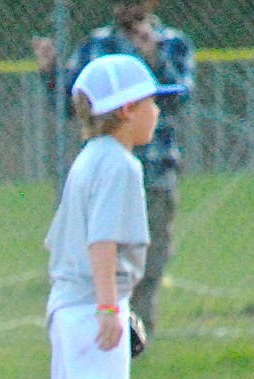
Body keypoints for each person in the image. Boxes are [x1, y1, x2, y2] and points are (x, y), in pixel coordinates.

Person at [45, 55, 184, 379]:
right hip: (91, 304)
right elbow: (101, 241)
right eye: (151, 102)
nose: (157, 112)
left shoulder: (90, 156)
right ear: (125, 109)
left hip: (66, 306)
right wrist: (111, 308)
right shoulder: (120, 164)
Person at [33, 1, 194, 342]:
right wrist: (51, 73)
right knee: (104, 256)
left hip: (156, 170)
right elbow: (72, 104)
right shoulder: (96, 45)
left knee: (147, 263)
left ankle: (136, 336)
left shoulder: (172, 43)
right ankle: (109, 328)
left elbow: (179, 98)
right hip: (111, 176)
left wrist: (153, 58)